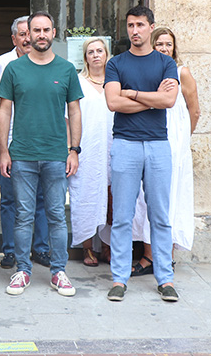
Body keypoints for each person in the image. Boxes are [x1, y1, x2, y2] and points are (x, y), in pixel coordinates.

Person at [0, 11, 82, 297]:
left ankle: (59, 271)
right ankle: (22, 270)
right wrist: (4, 152)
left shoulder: (66, 69)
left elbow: (74, 111)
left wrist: (74, 150)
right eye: (36, 30)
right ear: (28, 35)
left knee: (57, 215)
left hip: (57, 154)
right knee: (23, 216)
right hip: (22, 154)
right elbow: (5, 111)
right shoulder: (14, 69)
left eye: (46, 30)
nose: (41, 35)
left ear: (54, 32)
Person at [104, 5, 180, 303]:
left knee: (160, 215)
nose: (134, 30)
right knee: (122, 216)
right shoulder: (116, 63)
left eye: (140, 25)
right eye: (130, 25)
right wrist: (154, 99)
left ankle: (165, 278)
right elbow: (112, 102)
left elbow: (170, 100)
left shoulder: (165, 63)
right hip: (125, 143)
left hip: (158, 145)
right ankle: (119, 279)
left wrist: (132, 93)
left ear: (151, 27)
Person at [130, 27, 200, 276]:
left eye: (168, 44)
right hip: (147, 141)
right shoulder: (148, 72)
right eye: (159, 43)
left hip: (174, 149)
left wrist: (182, 142)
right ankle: (149, 255)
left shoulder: (182, 73)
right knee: (145, 199)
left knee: (169, 200)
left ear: (174, 47)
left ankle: (165, 258)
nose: (163, 48)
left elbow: (194, 111)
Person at [0, 16, 51, 270]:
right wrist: (10, 129)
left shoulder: (47, 63)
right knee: (10, 200)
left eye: (30, 33)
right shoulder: (2, 64)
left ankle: (41, 249)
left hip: (43, 143)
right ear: (14, 39)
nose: (27, 38)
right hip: (12, 144)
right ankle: (10, 251)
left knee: (42, 200)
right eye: (22, 34)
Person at [69, 38, 114, 267]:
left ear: (106, 54)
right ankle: (87, 248)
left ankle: (107, 246)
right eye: (90, 52)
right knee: (85, 195)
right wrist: (71, 149)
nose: (96, 55)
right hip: (86, 147)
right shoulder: (77, 82)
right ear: (85, 57)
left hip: (113, 147)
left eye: (99, 51)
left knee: (111, 197)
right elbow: (68, 119)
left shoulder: (116, 82)